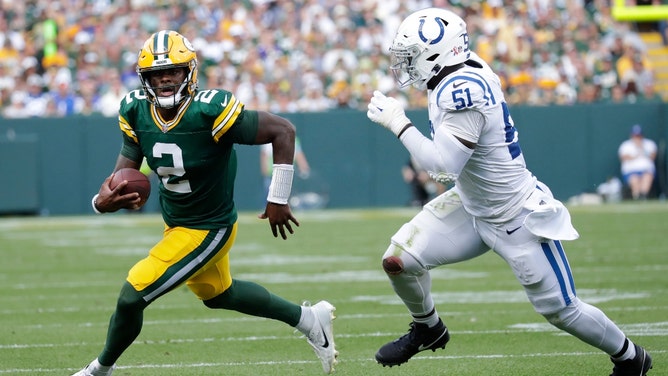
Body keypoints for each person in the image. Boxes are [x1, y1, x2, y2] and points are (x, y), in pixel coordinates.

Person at [366, 8, 652, 375]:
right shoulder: (456, 73)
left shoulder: (461, 90)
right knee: (399, 260)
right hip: (472, 206)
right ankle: (428, 327)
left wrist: (398, 122)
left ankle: (631, 358)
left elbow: (442, 167)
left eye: (413, 56)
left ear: (438, 53)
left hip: (513, 215)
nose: (407, 66)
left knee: (561, 310)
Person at [72, 30, 337, 376]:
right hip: (176, 222)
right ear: (144, 78)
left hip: (208, 227)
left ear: (190, 72)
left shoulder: (210, 110)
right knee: (219, 294)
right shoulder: (135, 110)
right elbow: (123, 174)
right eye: (156, 74)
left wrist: (278, 197)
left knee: (132, 294)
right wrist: (101, 201)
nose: (165, 79)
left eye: (174, 71)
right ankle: (308, 319)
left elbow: (283, 131)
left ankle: (98, 370)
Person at [260, 135, 310, 204]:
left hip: (285, 173)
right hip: (271, 173)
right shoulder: (269, 138)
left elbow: (299, 155)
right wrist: (264, 169)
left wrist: (304, 167)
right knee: (269, 196)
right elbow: (264, 155)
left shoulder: (293, 139)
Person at [618, 124, 657, 200]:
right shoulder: (626, 145)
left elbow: (653, 156)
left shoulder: (649, 144)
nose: (637, 138)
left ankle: (643, 196)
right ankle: (637, 196)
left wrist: (642, 148)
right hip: (631, 171)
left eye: (639, 135)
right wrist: (635, 155)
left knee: (647, 176)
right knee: (634, 178)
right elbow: (623, 157)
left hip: (646, 170)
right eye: (635, 136)